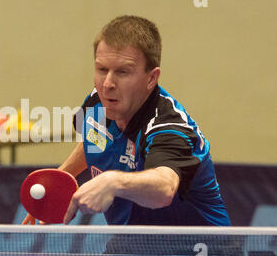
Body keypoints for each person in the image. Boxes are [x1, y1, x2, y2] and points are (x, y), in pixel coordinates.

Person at [23, 15, 231, 227]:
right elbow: (95, 139)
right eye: (102, 69)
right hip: (132, 243)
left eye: (122, 72)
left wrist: (112, 182)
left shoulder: (168, 128)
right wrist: (60, 179)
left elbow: (164, 188)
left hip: (198, 251)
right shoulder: (97, 103)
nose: (108, 83)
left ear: (151, 78)